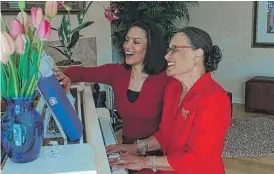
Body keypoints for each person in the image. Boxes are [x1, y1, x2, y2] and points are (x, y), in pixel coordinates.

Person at [106, 26, 232, 174]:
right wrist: (135, 147)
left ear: (197, 54)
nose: (166, 56)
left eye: (174, 49)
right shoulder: (173, 88)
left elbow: (198, 159)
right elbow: (164, 135)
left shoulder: (215, 99)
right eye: (168, 50)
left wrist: (145, 161)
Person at [54, 20, 172, 172]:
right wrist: (67, 76)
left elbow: (169, 133)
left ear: (150, 48)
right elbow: (83, 72)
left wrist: (136, 149)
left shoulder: (167, 80)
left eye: (136, 42)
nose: (127, 46)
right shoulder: (118, 72)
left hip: (155, 157)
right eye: (127, 39)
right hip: (127, 148)